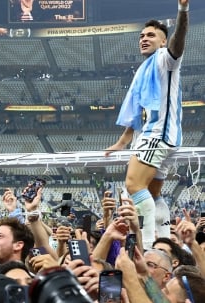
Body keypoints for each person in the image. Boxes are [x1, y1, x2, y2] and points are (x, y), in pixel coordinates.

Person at [105, 0, 189, 249]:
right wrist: (122, 142)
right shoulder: (144, 69)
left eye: (151, 35)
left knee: (133, 185)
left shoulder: (165, 59)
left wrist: (183, 11)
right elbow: (138, 110)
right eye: (142, 35)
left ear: (163, 41)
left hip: (157, 135)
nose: (144, 38)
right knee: (151, 194)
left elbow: (179, 42)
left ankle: (149, 245)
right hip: (160, 136)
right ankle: (164, 239)